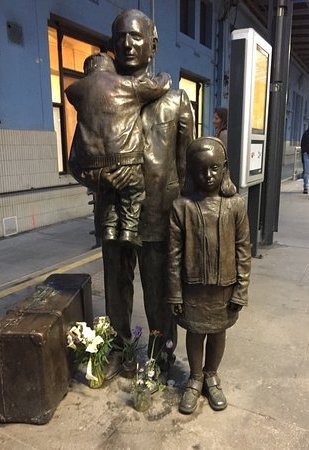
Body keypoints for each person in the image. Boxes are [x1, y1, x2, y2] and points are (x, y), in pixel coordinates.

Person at [69, 9, 194, 380]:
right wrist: (102, 177)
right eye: (120, 36)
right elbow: (77, 160)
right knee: (116, 290)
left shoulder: (175, 101)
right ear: (111, 45)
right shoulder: (97, 97)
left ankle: (159, 356)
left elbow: (186, 168)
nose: (127, 43)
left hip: (158, 214)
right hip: (112, 210)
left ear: (152, 45)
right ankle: (119, 352)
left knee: (158, 294)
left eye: (137, 36)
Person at [167, 137, 251, 414]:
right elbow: (174, 255)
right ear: (190, 171)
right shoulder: (182, 207)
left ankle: (211, 375)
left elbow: (243, 250)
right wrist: (175, 291)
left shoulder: (235, 205)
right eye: (201, 169)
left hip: (225, 288)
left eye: (215, 168)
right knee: (195, 331)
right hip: (192, 288)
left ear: (225, 167)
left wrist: (241, 288)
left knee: (218, 331)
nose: (209, 175)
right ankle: (195, 377)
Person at [66, 52, 171, 246]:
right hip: (127, 160)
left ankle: (109, 228)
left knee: (108, 195)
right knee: (133, 193)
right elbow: (157, 87)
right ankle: (129, 231)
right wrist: (165, 76)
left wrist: (96, 178)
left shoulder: (77, 92)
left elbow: (73, 161)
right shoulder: (126, 84)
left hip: (94, 164)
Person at [300, 126, 309, 194]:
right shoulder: (306, 134)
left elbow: (302, 145)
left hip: (306, 154)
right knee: (306, 172)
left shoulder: (305, 133)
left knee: (306, 171)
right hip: (306, 154)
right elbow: (302, 145)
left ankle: (305, 187)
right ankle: (305, 187)